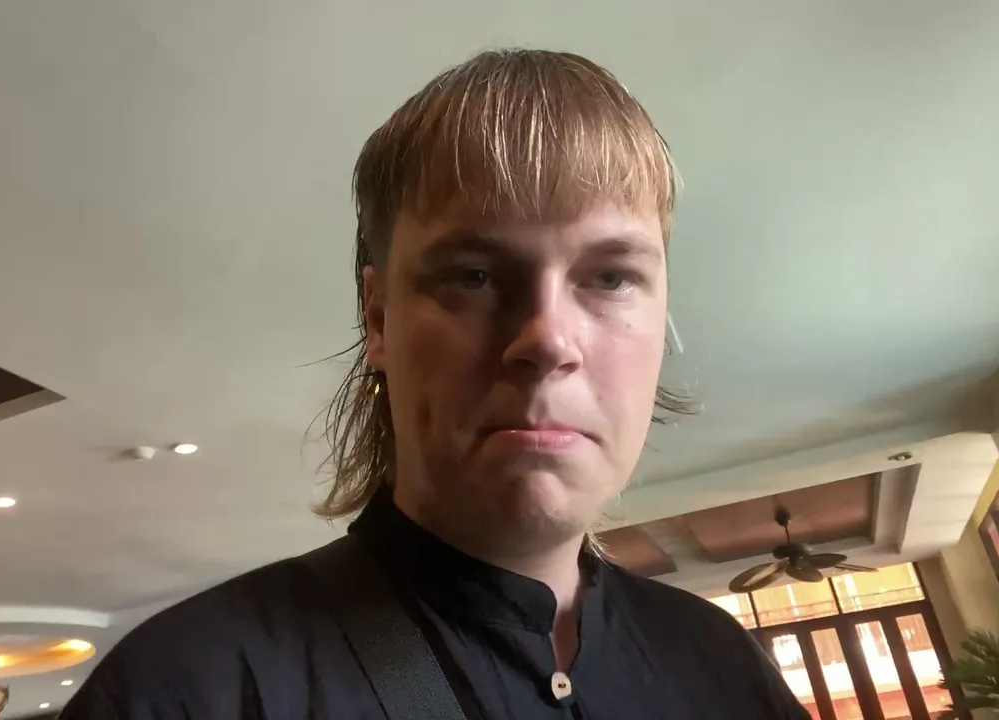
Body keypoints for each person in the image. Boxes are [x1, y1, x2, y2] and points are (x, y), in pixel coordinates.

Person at [58, 48, 809, 720]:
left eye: (611, 277)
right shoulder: (186, 691)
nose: (548, 340)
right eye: (473, 276)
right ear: (378, 317)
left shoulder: (723, 664)